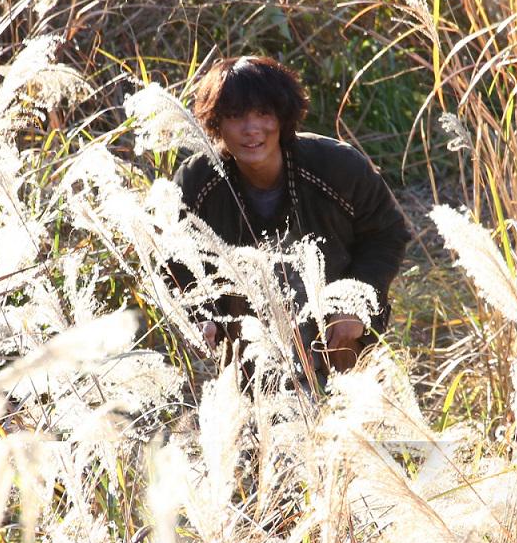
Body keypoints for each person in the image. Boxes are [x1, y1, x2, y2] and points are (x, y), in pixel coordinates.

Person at [170, 55, 411, 382]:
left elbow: (388, 234)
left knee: (344, 348)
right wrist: (200, 316)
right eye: (236, 116)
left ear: (283, 118)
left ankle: (352, 413)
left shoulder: (337, 167)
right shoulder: (198, 181)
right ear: (216, 124)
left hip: (337, 317)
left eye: (263, 113)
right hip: (246, 329)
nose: (251, 129)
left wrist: (354, 300)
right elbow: (173, 259)